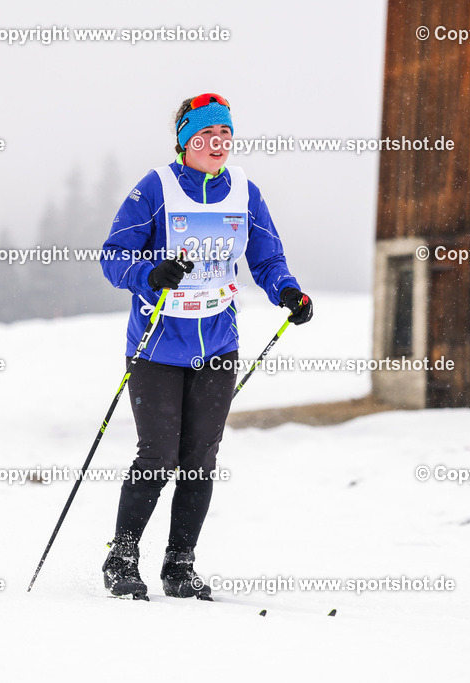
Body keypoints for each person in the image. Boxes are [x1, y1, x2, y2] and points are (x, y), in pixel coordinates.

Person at [99, 93, 313, 600]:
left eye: (224, 134)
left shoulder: (245, 193)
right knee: (158, 455)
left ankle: (179, 565)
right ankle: (121, 558)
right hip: (157, 345)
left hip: (218, 345)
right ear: (184, 141)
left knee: (199, 458)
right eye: (205, 135)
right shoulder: (155, 188)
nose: (217, 143)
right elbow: (114, 257)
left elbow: (267, 258)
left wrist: (287, 291)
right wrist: (151, 273)